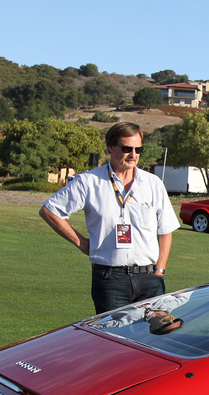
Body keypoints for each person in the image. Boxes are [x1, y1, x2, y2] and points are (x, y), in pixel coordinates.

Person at [40, 122, 179, 314]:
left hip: (149, 278)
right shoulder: (89, 181)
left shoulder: (153, 183)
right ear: (110, 147)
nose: (133, 154)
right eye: (126, 148)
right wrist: (83, 244)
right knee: (114, 341)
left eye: (138, 149)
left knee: (150, 340)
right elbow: (50, 211)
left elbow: (165, 230)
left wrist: (159, 271)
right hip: (110, 278)